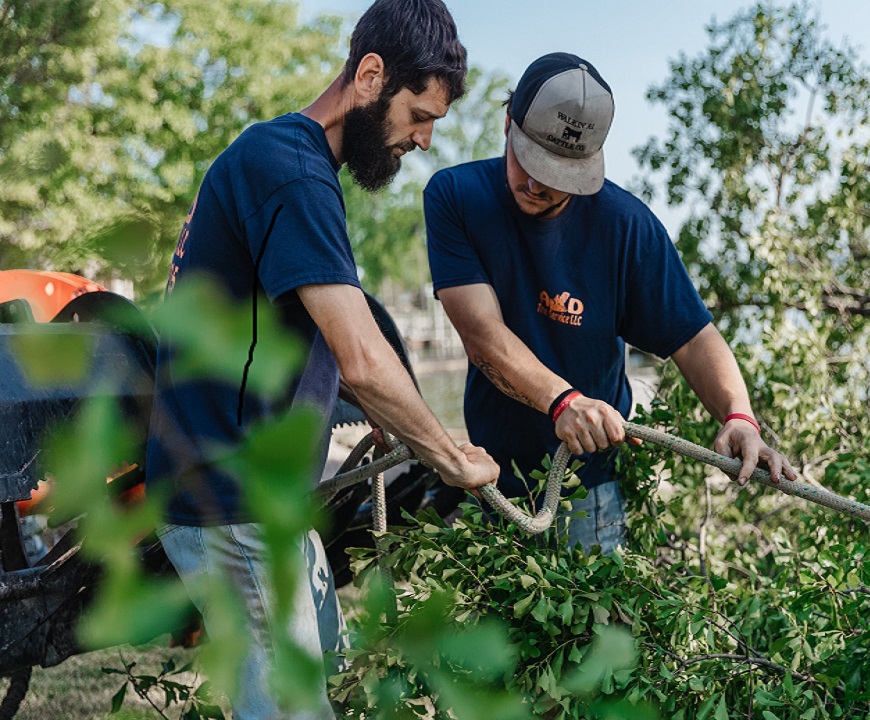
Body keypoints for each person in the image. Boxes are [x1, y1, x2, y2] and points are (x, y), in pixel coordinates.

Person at [145, 1, 499, 718]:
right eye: (420, 114)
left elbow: (317, 345)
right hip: (228, 503)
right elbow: (362, 357)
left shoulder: (286, 162)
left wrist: (397, 425)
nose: (426, 139)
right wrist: (448, 458)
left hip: (260, 504)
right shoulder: (292, 172)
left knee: (324, 682)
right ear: (370, 75)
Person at [423, 52, 795, 555]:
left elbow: (694, 337)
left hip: (589, 491)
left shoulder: (627, 227)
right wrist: (564, 401)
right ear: (508, 124)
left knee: (593, 634)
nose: (534, 184)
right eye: (527, 161)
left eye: (554, 174)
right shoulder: (455, 197)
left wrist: (739, 416)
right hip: (487, 478)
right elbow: (481, 334)